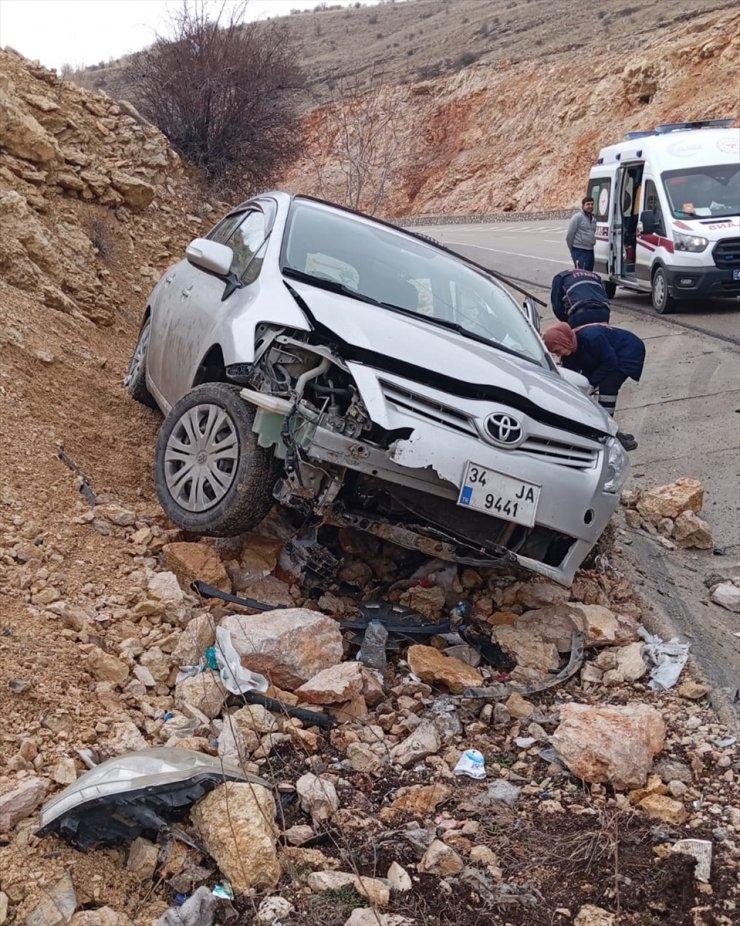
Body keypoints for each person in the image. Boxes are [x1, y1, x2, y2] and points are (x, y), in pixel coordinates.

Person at [543, 321, 645, 451]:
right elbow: (571, 376)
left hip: (627, 352)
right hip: (606, 357)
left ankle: (609, 436)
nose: (558, 355)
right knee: (595, 385)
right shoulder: (569, 350)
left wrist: (591, 383)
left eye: (558, 350)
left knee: (608, 387)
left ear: (564, 342)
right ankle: (611, 431)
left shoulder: (591, 337)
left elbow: (610, 362)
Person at [565, 196, 596, 270]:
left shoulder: (594, 219)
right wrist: (572, 249)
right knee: (581, 274)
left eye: (592, 204)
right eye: (588, 204)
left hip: (590, 250)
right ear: (583, 206)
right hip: (579, 250)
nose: (590, 206)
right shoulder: (577, 217)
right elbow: (569, 235)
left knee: (589, 273)